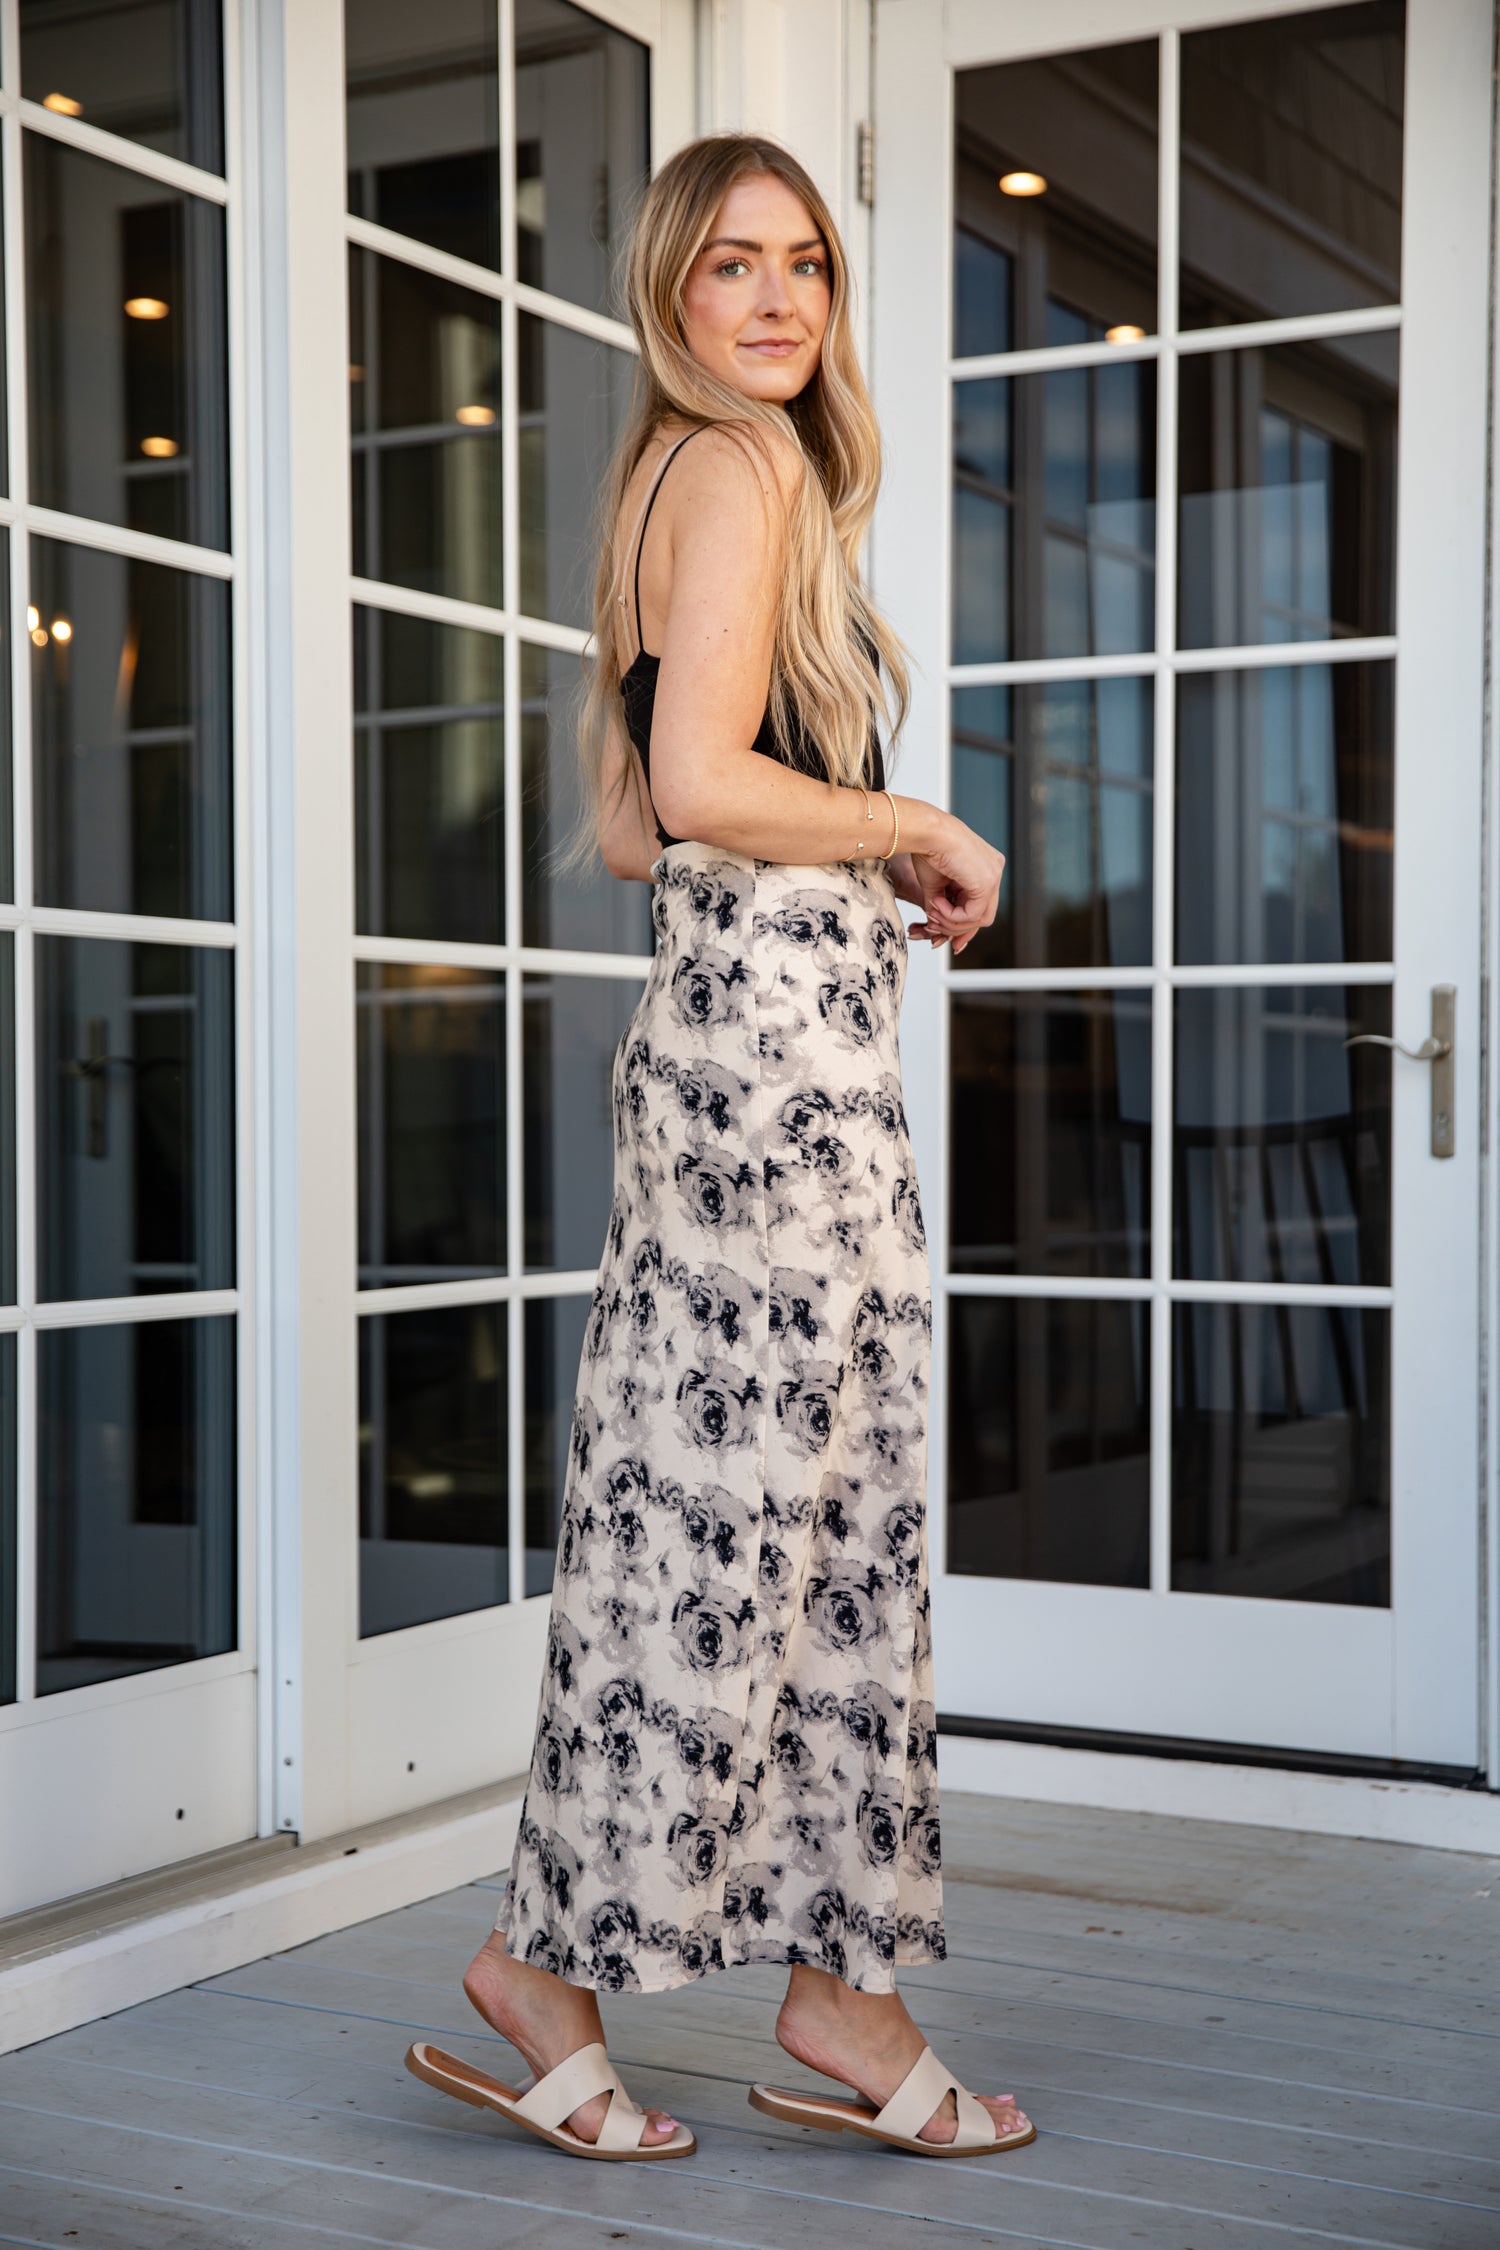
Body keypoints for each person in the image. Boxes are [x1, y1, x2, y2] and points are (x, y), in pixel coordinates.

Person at [405, 131, 1029, 2166]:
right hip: (776, 1089)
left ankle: (798, 1983)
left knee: (746, 1531)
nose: (777, 300)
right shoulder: (741, 466)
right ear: (671, 288)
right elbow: (689, 786)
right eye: (733, 263)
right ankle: (605, 1974)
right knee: (769, 1537)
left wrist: (835, 851)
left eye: (807, 265)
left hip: (742, 1066)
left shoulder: (675, 482)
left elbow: (627, 825)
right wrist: (915, 825)